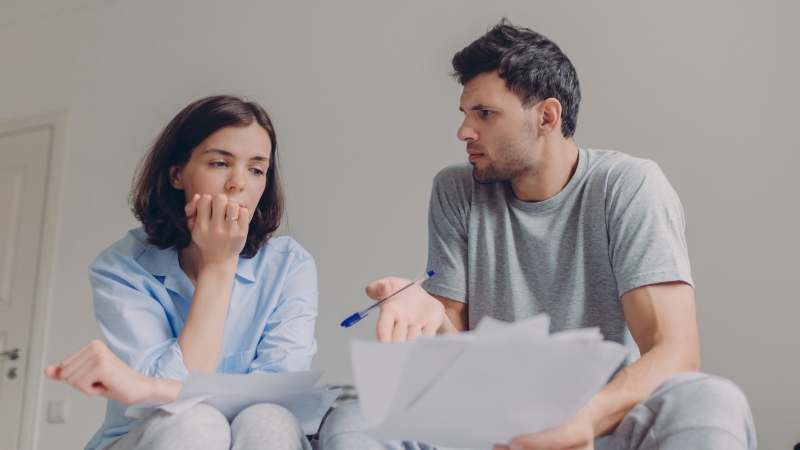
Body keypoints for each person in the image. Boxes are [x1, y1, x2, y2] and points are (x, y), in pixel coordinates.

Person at [319, 20, 756, 450]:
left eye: (485, 114)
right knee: (355, 418)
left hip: (600, 425)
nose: (464, 132)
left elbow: (676, 353)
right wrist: (428, 310)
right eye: (465, 114)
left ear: (547, 116)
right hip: (487, 425)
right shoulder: (457, 190)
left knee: (712, 398)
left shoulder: (629, 186)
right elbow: (460, 352)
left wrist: (582, 420)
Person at [45, 95, 318, 450]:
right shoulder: (121, 267)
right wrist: (219, 265)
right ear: (177, 174)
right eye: (220, 163)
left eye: (256, 169)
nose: (239, 183)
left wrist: (154, 388)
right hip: (149, 438)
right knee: (194, 421)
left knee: (270, 418)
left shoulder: (289, 265)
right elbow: (165, 405)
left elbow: (281, 395)